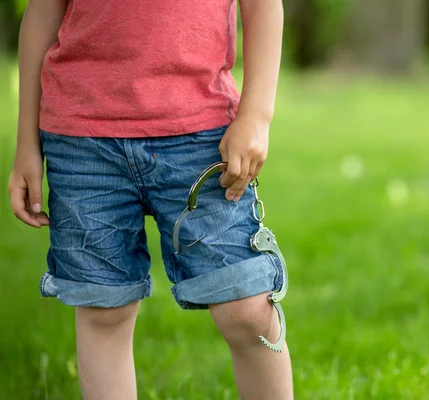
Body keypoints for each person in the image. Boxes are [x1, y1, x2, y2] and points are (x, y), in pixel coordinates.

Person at [8, 0, 292, 398]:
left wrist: (256, 116)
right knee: (103, 311)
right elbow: (43, 12)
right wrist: (27, 143)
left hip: (200, 137)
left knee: (247, 307)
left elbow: (263, 6)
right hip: (81, 141)